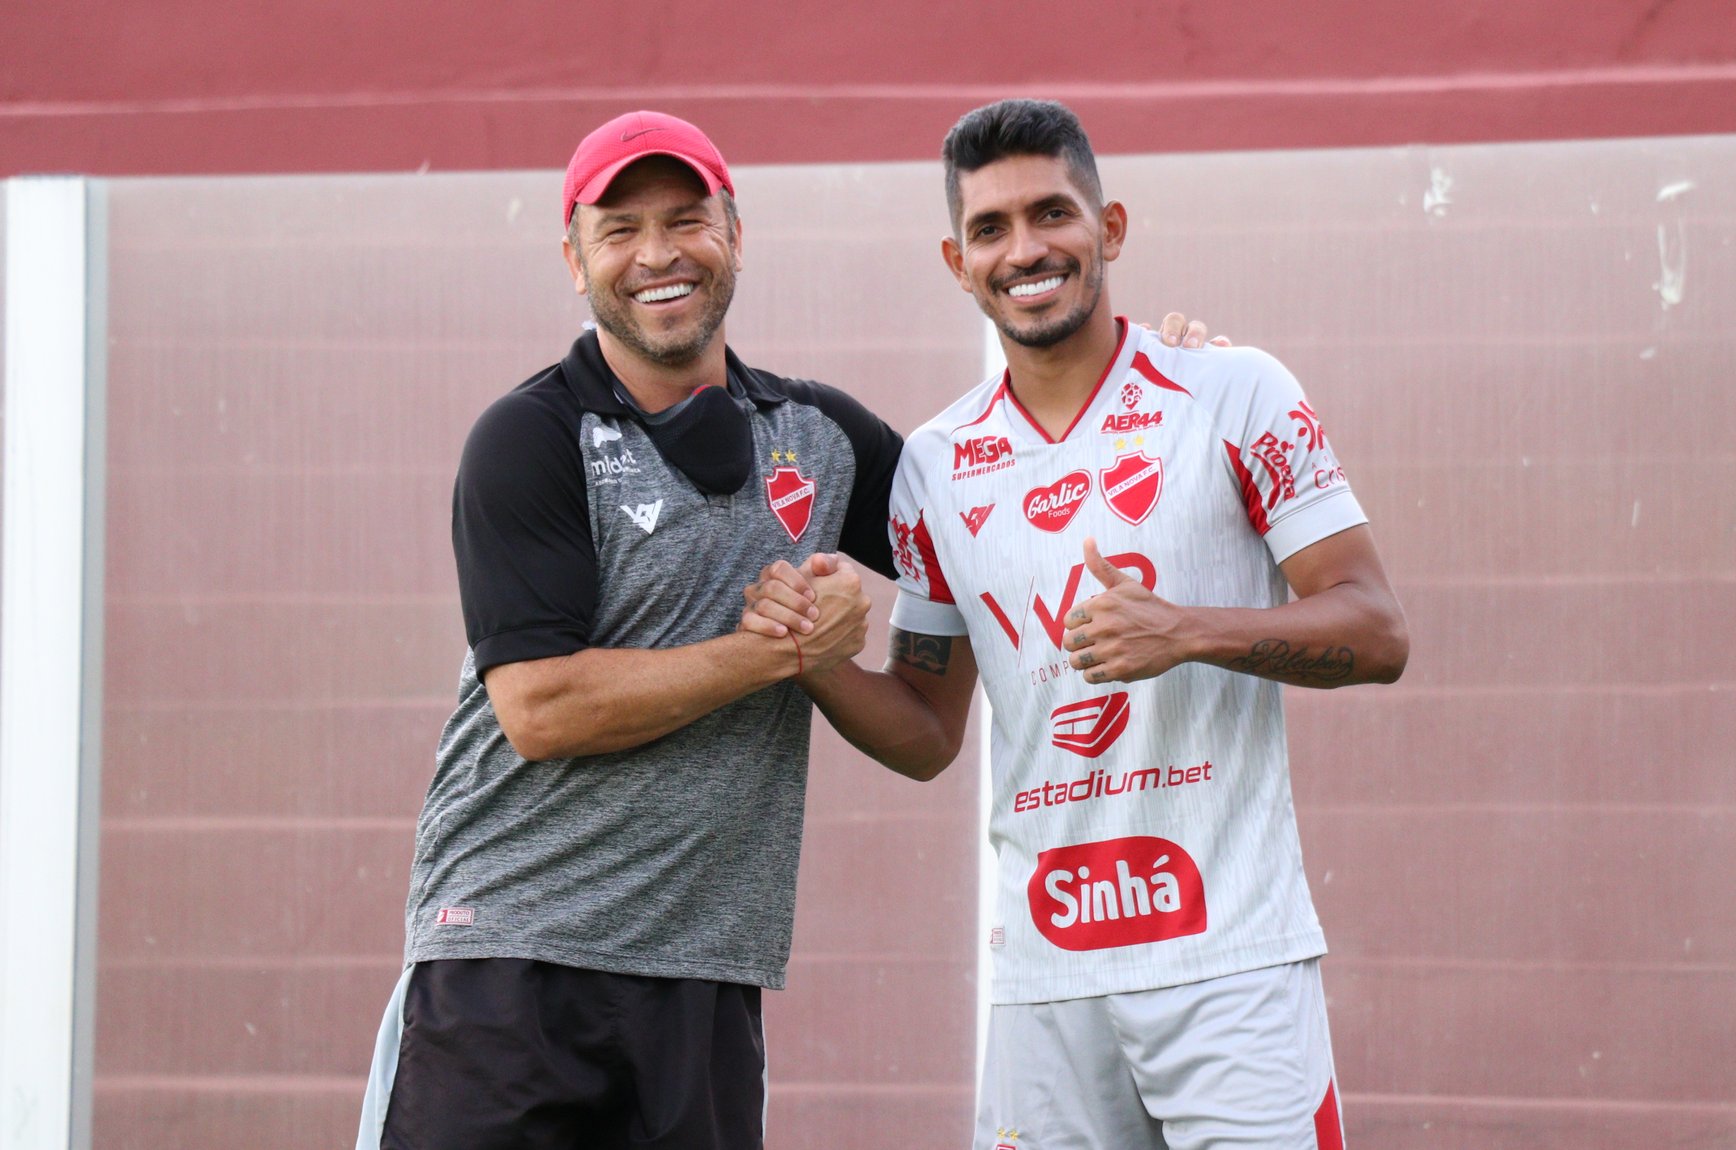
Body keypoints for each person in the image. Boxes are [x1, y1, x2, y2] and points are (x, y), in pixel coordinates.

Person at [357, 109, 1221, 1150]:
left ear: (734, 231)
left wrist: (1160, 391)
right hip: (505, 971)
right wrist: (780, 650)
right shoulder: (530, 437)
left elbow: (1016, 511)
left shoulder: (820, 438)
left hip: (707, 981)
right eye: (619, 229)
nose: (657, 253)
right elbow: (540, 709)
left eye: (686, 219)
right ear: (574, 261)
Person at [742, 99, 1409, 1149]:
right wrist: (809, 660)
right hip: (1044, 983)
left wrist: (1186, 631)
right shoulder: (931, 467)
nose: (1027, 248)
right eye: (993, 229)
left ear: (1111, 228)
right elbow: (925, 730)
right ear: (957, 262)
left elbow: (1376, 631)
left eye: (1052, 212)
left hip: (1229, 965)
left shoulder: (1232, 392)